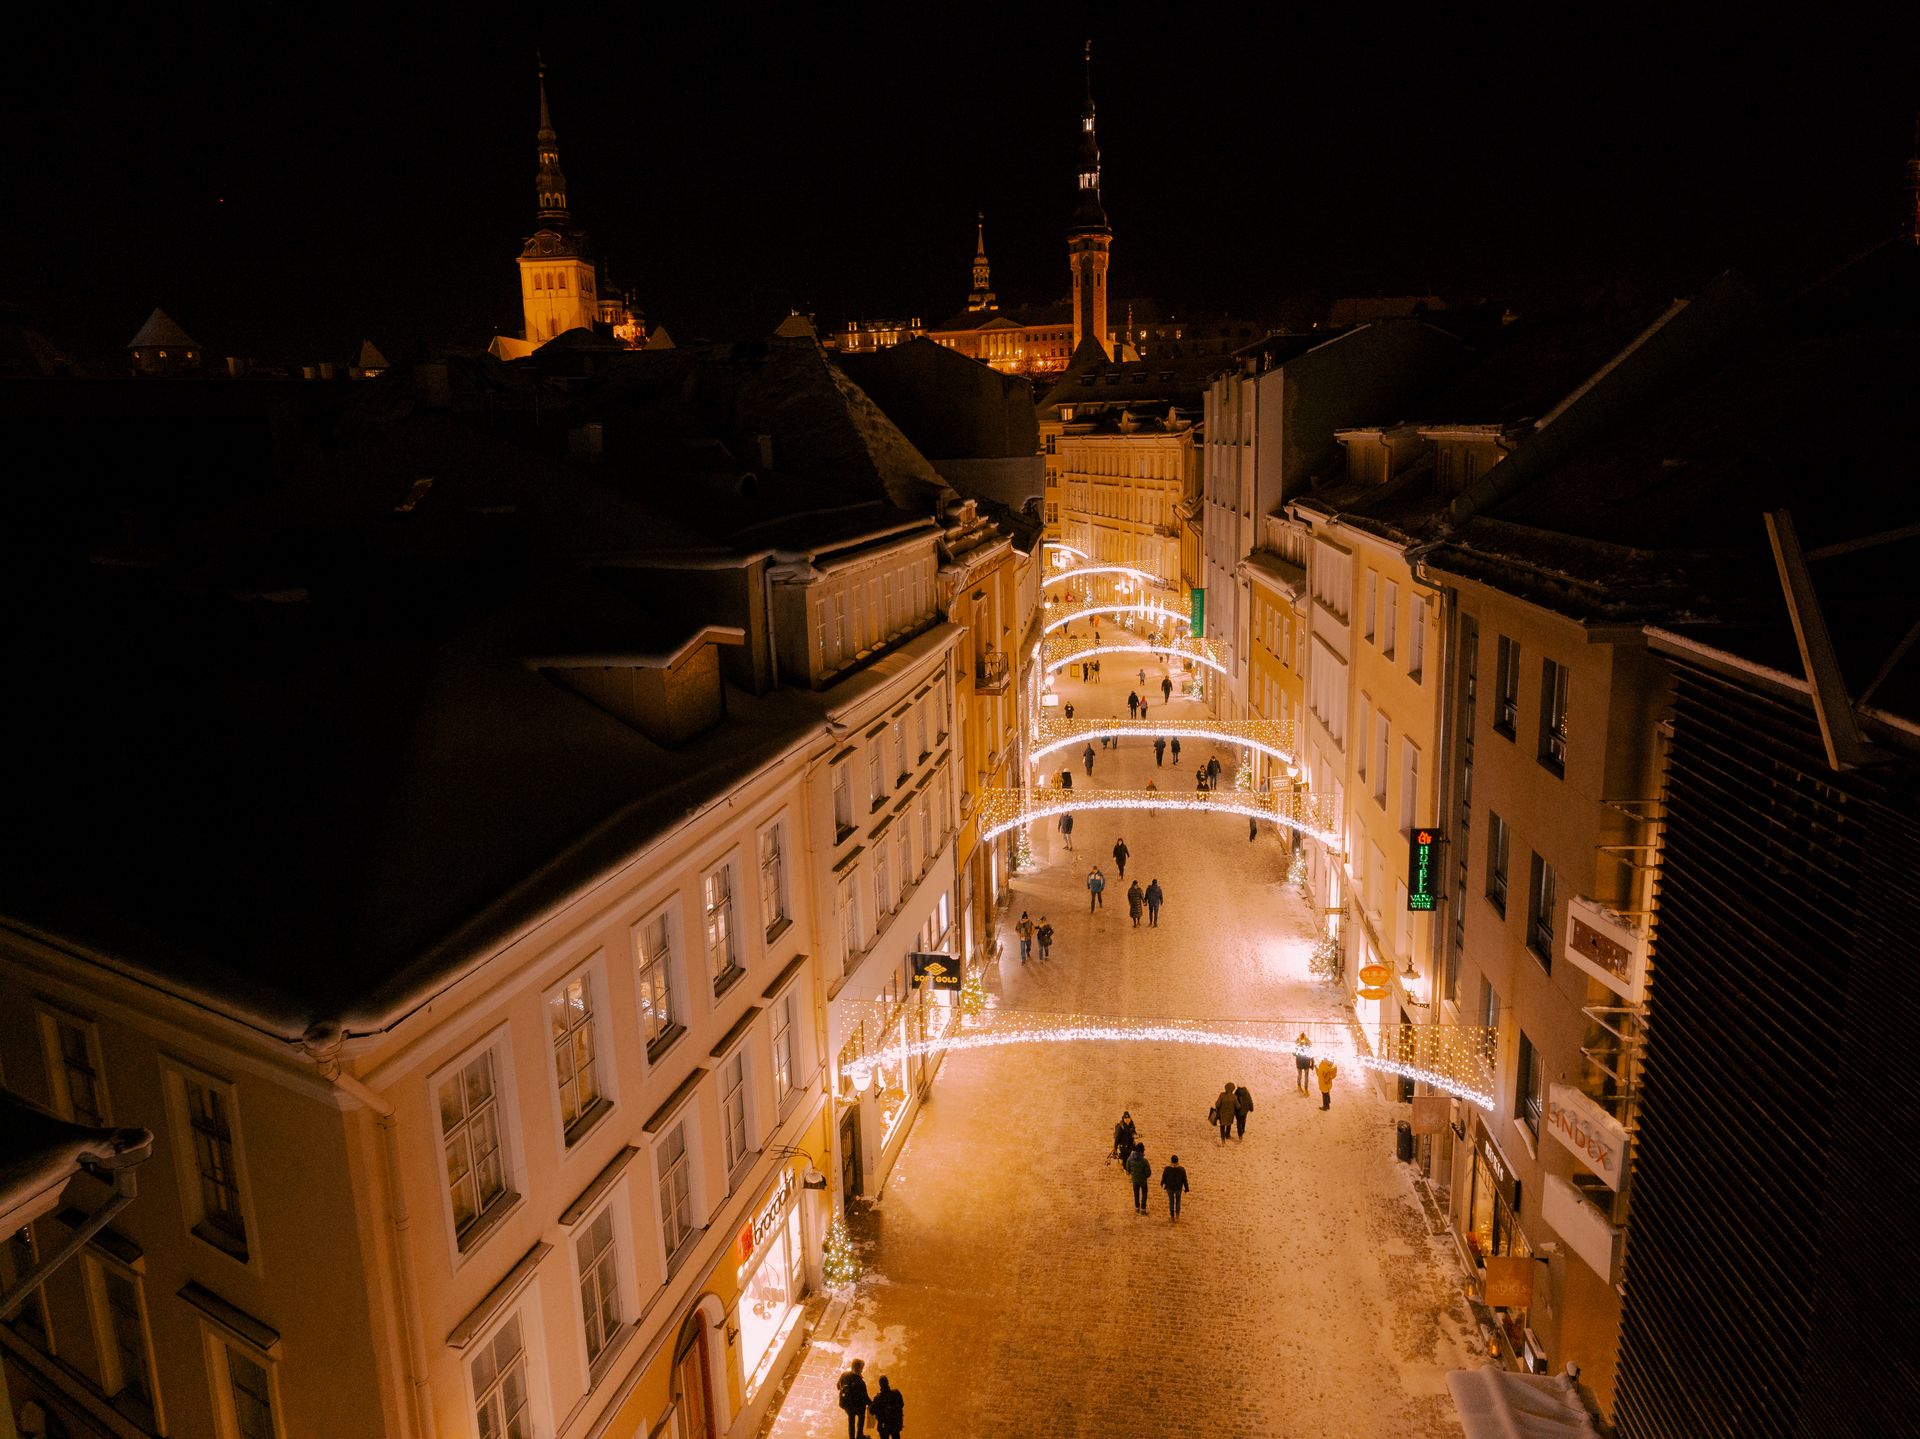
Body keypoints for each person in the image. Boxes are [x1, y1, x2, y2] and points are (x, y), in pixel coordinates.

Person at [838, 1359, 871, 1439]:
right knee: (861, 1418)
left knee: (851, 1421)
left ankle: (851, 1437)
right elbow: (865, 1398)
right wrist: (871, 1403)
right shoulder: (860, 1382)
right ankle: (859, 1435)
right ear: (860, 1369)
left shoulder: (844, 1375)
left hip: (846, 1405)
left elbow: (838, 1386)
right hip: (858, 1407)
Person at [1161, 1154, 1189, 1222]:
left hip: (1170, 1188)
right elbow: (1184, 1179)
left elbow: (1164, 1177)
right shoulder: (1182, 1169)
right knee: (1178, 1201)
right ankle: (1177, 1216)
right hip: (1178, 1188)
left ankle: (1172, 1216)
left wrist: (1162, 1183)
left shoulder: (1167, 1169)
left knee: (1171, 1201)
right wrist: (1186, 1188)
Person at [1127, 1141, 1152, 1213]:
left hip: (1134, 1180)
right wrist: (1144, 1176)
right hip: (1143, 1180)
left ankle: (1137, 1208)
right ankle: (1143, 1209)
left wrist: (1133, 1174)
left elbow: (1128, 1169)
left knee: (1136, 1194)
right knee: (1144, 1193)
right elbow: (1148, 1173)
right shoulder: (1144, 1161)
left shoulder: (1130, 1159)